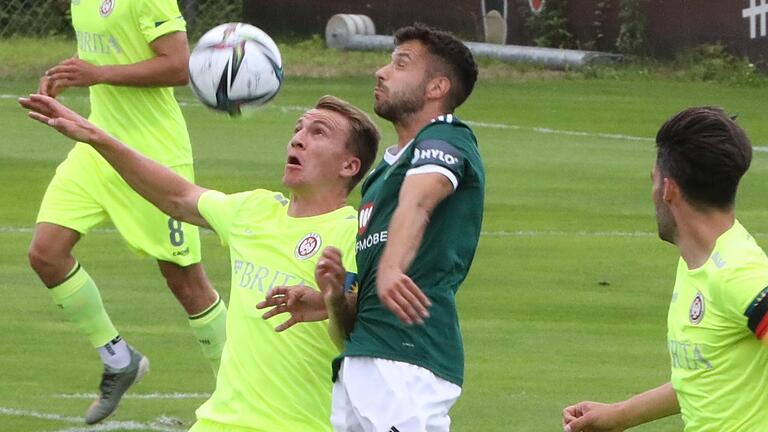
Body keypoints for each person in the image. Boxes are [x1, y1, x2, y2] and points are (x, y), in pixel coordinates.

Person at [19, 93, 380, 431]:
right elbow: (175, 195)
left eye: (318, 133)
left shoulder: (353, 235)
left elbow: (355, 336)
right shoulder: (254, 211)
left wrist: (332, 300)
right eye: (298, 129)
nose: (298, 139)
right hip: (217, 422)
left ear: (350, 165)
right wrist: (96, 137)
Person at [263, 23, 484, 431]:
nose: (381, 72)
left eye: (401, 64)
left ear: (436, 87)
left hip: (408, 361)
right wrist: (331, 298)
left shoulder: (447, 138)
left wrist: (391, 266)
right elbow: (360, 304)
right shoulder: (382, 173)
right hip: (361, 361)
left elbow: (420, 198)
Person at [28, 0, 226, 424]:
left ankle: (238, 389)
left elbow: (177, 66)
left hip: (153, 155)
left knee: (185, 281)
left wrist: (96, 73)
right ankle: (120, 360)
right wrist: (71, 72)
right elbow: (108, 52)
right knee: (46, 253)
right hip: (97, 147)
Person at [561, 107, 768, 432]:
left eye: (653, 181)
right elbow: (706, 375)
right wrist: (620, 415)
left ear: (669, 189)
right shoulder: (699, 261)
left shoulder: (739, 274)